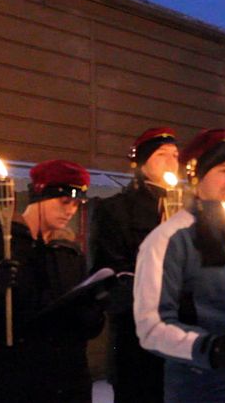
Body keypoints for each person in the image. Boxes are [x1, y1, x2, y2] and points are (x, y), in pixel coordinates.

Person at [133, 129, 225, 403]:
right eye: (224, 170)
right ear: (196, 175)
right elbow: (152, 326)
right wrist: (207, 347)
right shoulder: (169, 239)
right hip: (202, 391)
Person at [0, 160, 105, 403]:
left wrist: (95, 308)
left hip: (71, 386)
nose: (71, 210)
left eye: (77, 204)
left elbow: (85, 330)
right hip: (18, 386)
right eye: (64, 201)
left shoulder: (70, 254)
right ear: (39, 196)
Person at [90, 127, 178, 403]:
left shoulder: (190, 212)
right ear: (141, 163)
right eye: (162, 155)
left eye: (176, 156)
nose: (172, 161)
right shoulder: (115, 210)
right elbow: (107, 277)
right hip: (135, 341)